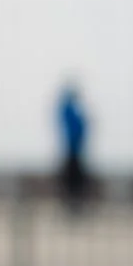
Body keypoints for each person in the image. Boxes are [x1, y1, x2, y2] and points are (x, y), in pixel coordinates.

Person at [57, 77, 93, 214]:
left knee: (74, 181)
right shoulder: (69, 110)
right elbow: (77, 129)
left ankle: (74, 205)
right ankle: (72, 207)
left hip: (74, 150)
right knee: (73, 181)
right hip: (73, 151)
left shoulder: (69, 109)